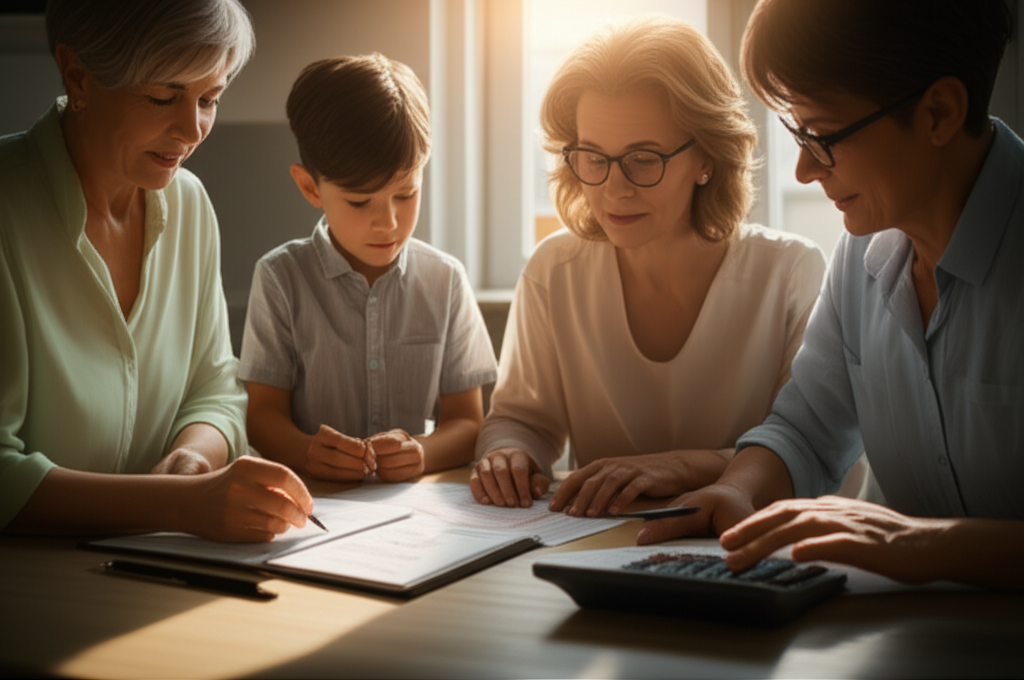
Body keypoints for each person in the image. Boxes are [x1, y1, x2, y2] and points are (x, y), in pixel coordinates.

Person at [640, 0, 1024, 590]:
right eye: (798, 133)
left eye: (820, 135)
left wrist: (927, 542)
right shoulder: (862, 254)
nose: (802, 170)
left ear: (939, 112)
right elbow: (807, 427)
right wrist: (734, 490)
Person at [470, 16, 827, 515]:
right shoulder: (555, 270)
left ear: (707, 158)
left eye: (643, 159)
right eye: (593, 157)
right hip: (597, 544)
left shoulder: (791, 274)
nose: (614, 189)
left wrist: (680, 466)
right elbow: (522, 420)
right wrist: (509, 453)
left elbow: (812, 451)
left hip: (746, 545)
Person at [0, 0, 318, 542]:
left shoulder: (190, 205)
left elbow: (216, 387)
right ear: (77, 74)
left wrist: (194, 458)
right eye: (163, 96)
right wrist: (176, 506)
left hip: (153, 567)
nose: (192, 128)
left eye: (209, 99)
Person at [239, 54, 497, 484]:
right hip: (318, 503)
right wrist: (305, 451)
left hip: (414, 512)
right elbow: (262, 416)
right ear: (309, 186)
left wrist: (421, 454)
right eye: (360, 202)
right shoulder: (280, 278)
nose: (388, 222)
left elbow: (468, 423)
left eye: (406, 194)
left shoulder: (445, 281)